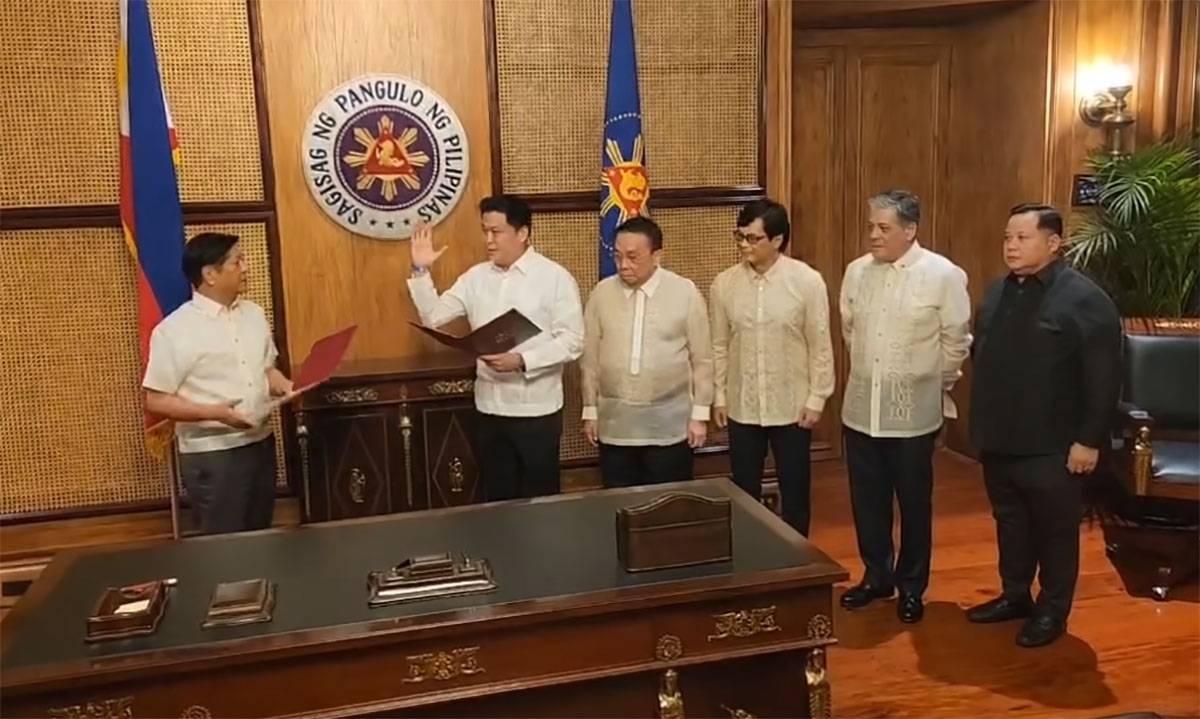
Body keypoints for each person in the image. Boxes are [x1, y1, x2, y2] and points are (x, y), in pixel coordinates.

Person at [967, 203, 1121, 648]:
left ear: (1053, 244)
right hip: (1001, 438)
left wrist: (1088, 440)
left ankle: (1053, 611)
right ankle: (1015, 595)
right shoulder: (997, 291)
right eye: (1007, 237)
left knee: (1054, 533)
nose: (1011, 246)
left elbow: (1103, 377)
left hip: (1054, 446)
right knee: (1010, 523)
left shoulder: (1086, 300)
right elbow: (985, 358)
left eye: (1022, 237)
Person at [838, 189, 972, 623]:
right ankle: (877, 576)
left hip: (913, 414)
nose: (873, 236)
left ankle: (912, 586)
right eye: (871, 227)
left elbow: (956, 342)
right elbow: (850, 331)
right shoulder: (856, 272)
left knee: (914, 504)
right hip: (860, 410)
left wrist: (934, 384)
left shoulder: (943, 275)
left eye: (884, 228)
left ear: (910, 230)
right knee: (868, 501)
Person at [407, 195, 583, 500]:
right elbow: (434, 317)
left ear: (523, 233)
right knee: (497, 501)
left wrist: (522, 360)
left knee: (541, 502)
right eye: (485, 231)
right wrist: (421, 272)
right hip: (489, 408)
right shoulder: (475, 278)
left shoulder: (554, 278)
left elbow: (573, 340)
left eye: (496, 232)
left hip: (536, 411)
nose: (488, 240)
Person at [142, 232, 293, 534]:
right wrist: (215, 413)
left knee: (263, 539)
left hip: (261, 446)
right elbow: (156, 401)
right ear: (210, 274)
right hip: (214, 456)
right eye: (238, 262)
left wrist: (286, 386)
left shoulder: (254, 314)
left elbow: (267, 369)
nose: (246, 267)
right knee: (227, 552)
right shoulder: (174, 331)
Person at [710, 199, 834, 536]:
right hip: (742, 403)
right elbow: (719, 345)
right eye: (740, 236)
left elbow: (819, 344)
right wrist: (719, 396)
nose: (744, 246)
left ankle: (798, 558)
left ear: (777, 240)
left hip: (792, 405)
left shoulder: (806, 282)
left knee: (794, 489)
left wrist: (816, 398)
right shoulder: (724, 285)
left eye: (753, 239)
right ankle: (751, 556)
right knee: (744, 489)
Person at [580, 216, 713, 486]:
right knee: (618, 505)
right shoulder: (601, 294)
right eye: (617, 256)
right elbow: (590, 360)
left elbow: (703, 359)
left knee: (667, 509)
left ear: (657, 256)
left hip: (670, 427)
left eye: (632, 257)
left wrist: (700, 415)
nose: (623, 265)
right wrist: (590, 411)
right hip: (615, 426)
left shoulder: (684, 292)